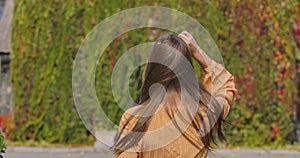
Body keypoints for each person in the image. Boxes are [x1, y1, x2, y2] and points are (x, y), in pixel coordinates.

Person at [113, 31, 237, 158]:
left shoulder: (135, 119)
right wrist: (197, 52)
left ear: (152, 70)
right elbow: (225, 83)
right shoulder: (205, 113)